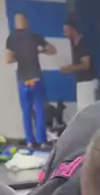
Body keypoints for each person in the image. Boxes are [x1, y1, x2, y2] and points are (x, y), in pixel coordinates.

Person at [5, 13, 57, 150]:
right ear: (27, 22)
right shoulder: (35, 37)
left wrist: (19, 57)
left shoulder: (11, 38)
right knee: (39, 110)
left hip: (23, 80)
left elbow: (8, 59)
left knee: (26, 111)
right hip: (36, 78)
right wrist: (39, 51)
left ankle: (30, 141)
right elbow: (53, 50)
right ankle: (43, 142)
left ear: (16, 23)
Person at [61, 21, 98, 112]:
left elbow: (86, 65)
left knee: (87, 111)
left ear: (72, 29)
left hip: (88, 82)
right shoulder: (74, 45)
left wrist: (69, 68)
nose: (65, 34)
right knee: (83, 110)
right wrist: (68, 69)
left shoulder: (83, 44)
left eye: (66, 31)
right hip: (81, 82)